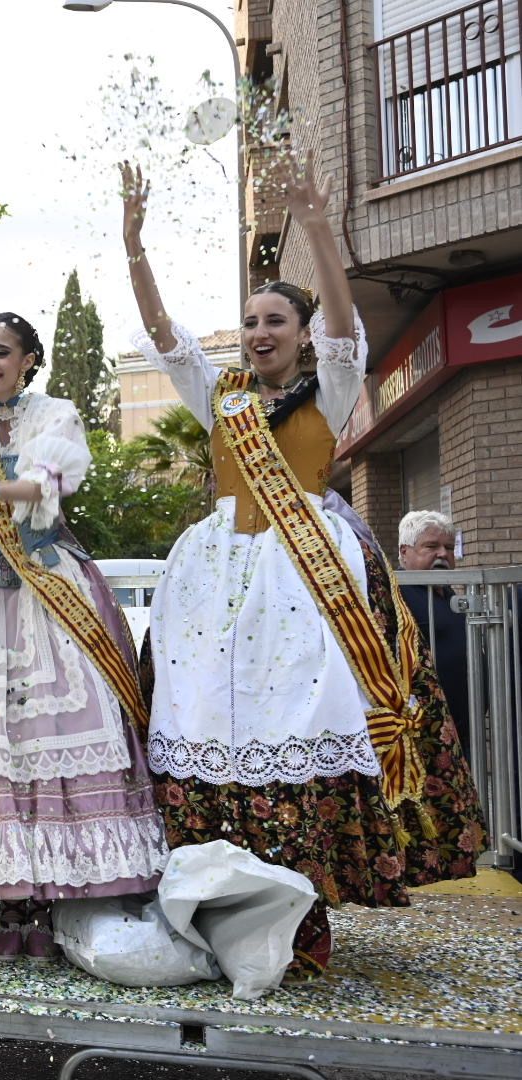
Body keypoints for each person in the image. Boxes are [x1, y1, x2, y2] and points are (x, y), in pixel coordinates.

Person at [123, 155, 485, 979]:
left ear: (299, 332)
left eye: (275, 321)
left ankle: (304, 913)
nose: (259, 333)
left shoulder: (327, 391)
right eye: (250, 321)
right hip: (214, 581)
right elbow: (165, 336)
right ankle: (217, 908)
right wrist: (136, 247)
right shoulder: (220, 399)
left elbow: (345, 331)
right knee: (207, 728)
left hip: (302, 579)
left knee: (299, 727)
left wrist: (318, 224)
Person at [0, 311, 169, 960]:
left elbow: (49, 484)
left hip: (48, 586)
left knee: (49, 735)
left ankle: (52, 903)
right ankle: (9, 902)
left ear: (29, 359)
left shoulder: (56, 414)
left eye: (1, 352)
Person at [397, 511, 471, 756]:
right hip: (425, 733)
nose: (443, 554)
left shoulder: (448, 593)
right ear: (404, 552)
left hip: (462, 728)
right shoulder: (396, 596)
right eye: (431, 546)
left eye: (449, 547)